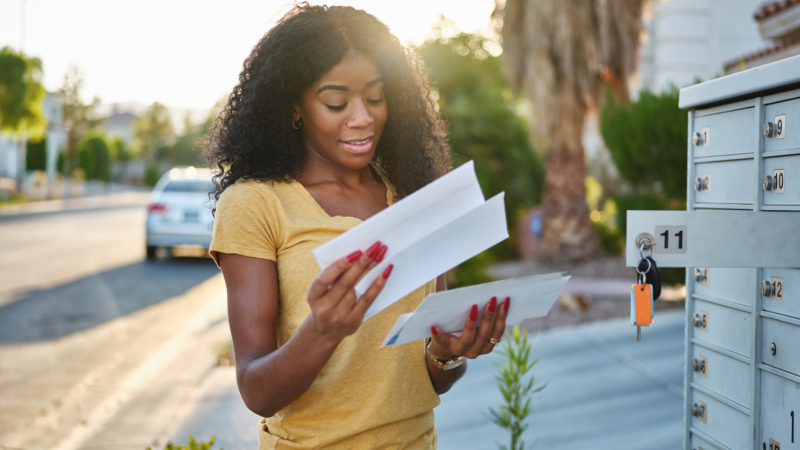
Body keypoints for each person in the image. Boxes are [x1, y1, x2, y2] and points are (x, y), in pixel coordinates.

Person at [205, 4, 511, 449]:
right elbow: (257, 390)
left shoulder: (413, 196)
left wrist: (447, 353)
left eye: (375, 96)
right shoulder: (256, 203)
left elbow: (430, 377)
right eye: (335, 102)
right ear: (294, 106)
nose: (362, 117)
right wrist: (323, 330)